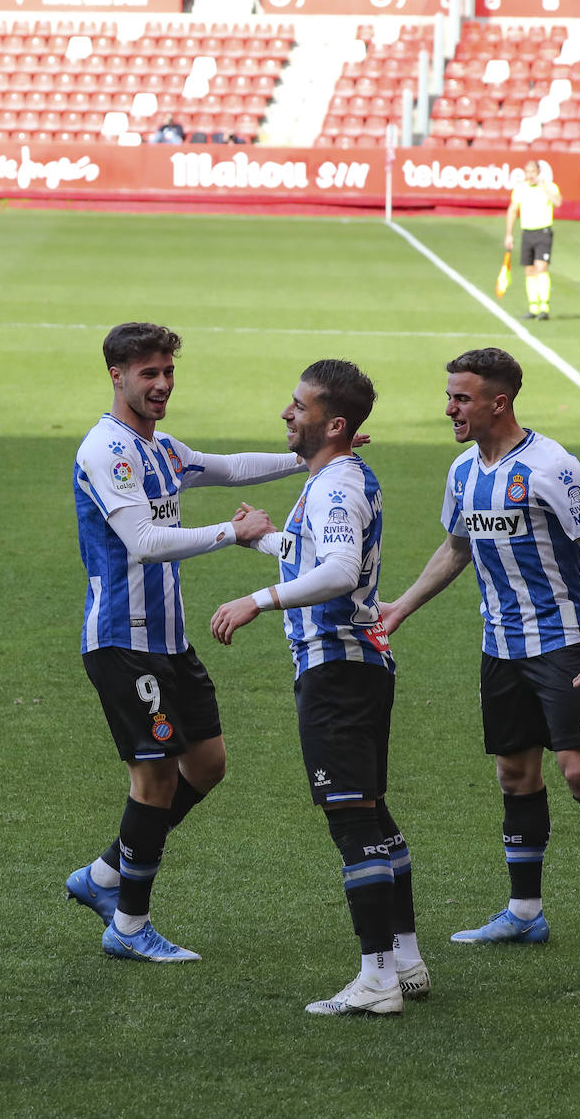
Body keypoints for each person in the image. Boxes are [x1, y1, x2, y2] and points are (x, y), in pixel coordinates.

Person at [379, 347, 580, 963]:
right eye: (450, 395)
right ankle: (525, 913)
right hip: (499, 646)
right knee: (514, 774)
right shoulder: (463, 471)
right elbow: (456, 548)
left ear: (499, 402)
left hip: (560, 641)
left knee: (579, 772)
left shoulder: (553, 466)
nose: (449, 407)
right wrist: (401, 607)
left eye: (461, 397)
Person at [68, 322, 310, 964]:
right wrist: (233, 535)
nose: (161, 384)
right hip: (123, 641)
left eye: (167, 372)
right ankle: (128, 924)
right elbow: (144, 543)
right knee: (152, 779)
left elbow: (228, 468)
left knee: (204, 766)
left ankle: (103, 875)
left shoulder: (162, 449)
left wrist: (306, 455)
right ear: (116, 376)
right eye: (148, 373)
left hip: (169, 642)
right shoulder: (107, 452)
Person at [210, 360, 427, 1016]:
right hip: (356, 666)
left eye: (298, 406)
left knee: (352, 819)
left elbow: (334, 571)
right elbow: (319, 554)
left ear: (333, 424)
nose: (286, 413)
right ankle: (407, 959)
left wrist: (259, 599)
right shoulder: (335, 480)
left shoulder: (336, 489)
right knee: (373, 814)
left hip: (337, 669)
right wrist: (261, 542)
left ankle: (377, 978)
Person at [504, 160, 562, 320]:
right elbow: (513, 210)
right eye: (527, 172)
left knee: (541, 267)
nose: (530, 175)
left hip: (543, 232)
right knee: (529, 270)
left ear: (538, 172)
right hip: (527, 232)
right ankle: (533, 307)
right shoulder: (520, 189)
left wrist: (543, 186)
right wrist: (509, 234)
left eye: (533, 172)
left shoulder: (549, 186)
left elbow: (558, 202)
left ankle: (544, 307)